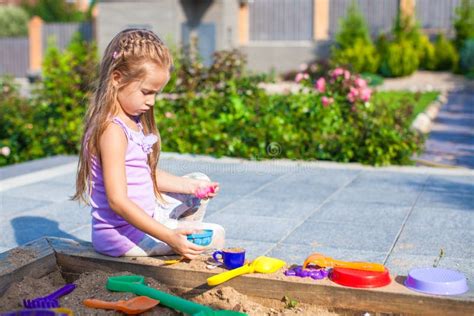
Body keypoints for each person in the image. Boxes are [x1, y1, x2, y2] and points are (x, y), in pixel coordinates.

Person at [73, 29, 225, 259]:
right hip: (122, 238)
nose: (151, 101)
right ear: (117, 79)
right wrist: (168, 236)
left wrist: (192, 188)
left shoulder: (131, 121)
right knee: (216, 235)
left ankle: (175, 234)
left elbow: (144, 174)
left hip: (142, 222)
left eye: (156, 93)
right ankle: (175, 238)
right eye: (146, 92)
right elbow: (118, 201)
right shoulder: (112, 131)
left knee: (198, 181)